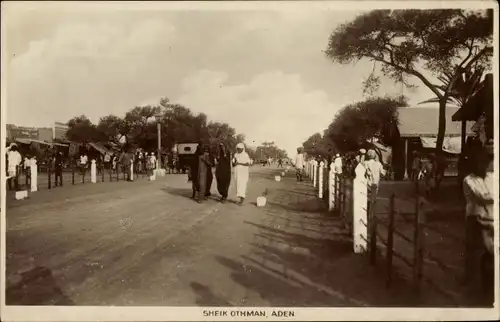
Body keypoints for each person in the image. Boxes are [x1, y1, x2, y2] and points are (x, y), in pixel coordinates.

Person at [462, 148, 494, 305]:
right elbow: (483, 197)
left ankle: (488, 288)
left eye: (486, 162)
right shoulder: (469, 180)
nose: (484, 166)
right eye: (480, 163)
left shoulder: (492, 177)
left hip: (492, 218)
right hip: (475, 217)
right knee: (475, 251)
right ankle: (472, 284)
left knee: (491, 253)